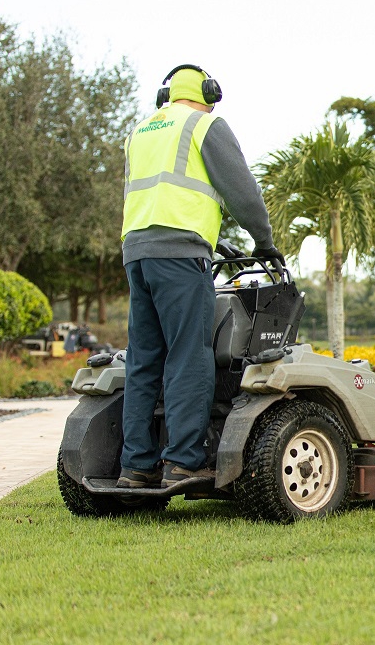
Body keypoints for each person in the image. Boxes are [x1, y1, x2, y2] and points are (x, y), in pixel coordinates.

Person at [117, 64, 283, 489]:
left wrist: (211, 242)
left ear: (167, 94)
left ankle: (135, 465)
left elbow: (159, 196)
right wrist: (263, 241)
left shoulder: (142, 130)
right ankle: (185, 460)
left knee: (143, 359)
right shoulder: (204, 124)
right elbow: (242, 192)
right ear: (210, 91)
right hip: (178, 256)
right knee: (190, 354)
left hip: (138, 253)